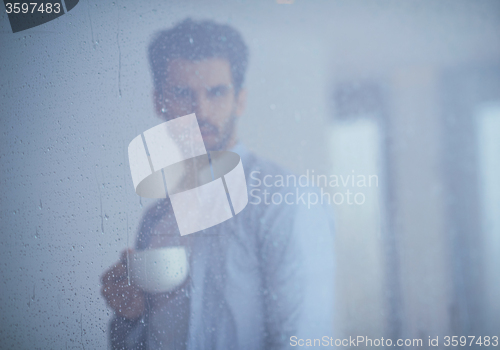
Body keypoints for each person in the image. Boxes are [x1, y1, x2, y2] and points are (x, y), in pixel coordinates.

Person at [101, 18, 335, 350]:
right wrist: (129, 315)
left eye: (216, 92)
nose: (201, 110)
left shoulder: (285, 199)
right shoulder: (155, 220)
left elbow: (305, 341)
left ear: (240, 100)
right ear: (159, 103)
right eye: (183, 94)